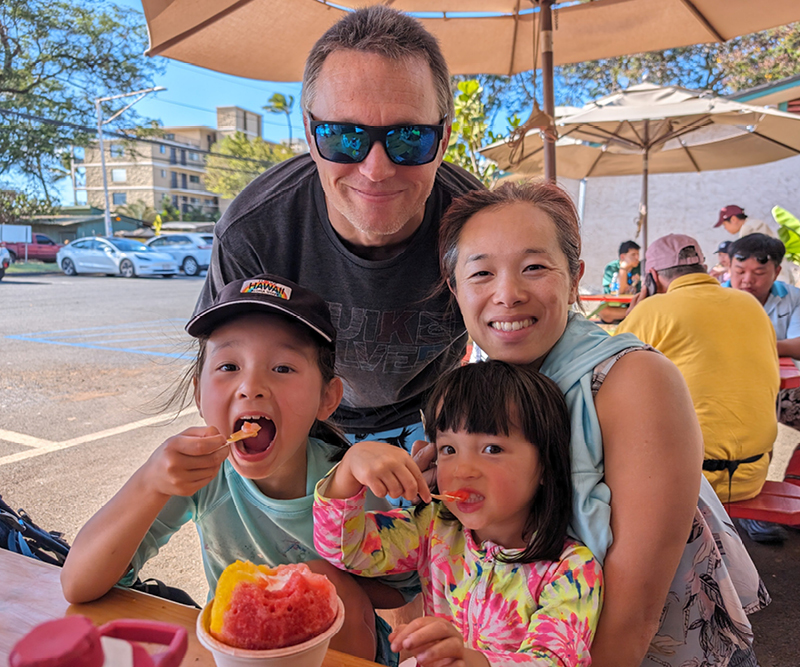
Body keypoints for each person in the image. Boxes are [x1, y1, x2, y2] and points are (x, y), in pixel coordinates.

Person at [414, 182, 768, 667]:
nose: (508, 295)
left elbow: (635, 614)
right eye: (480, 273)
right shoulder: (475, 393)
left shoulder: (634, 380)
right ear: (455, 288)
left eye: (534, 267)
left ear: (574, 276)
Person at [60, 274, 406, 665]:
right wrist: (149, 482)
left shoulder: (349, 484)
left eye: (283, 368)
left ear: (327, 398)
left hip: (345, 653)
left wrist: (332, 573)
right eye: (228, 365)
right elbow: (78, 584)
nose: (251, 386)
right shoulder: (201, 476)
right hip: (237, 656)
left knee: (324, 579)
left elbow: (399, 589)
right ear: (198, 393)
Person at [195, 6, 483, 453]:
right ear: (311, 136)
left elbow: (523, 352)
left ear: (442, 140)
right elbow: (223, 371)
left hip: (434, 420)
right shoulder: (254, 230)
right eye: (344, 137)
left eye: (409, 138)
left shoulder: (477, 225)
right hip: (299, 422)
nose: (376, 169)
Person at [314, 360, 603, 667]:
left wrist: (472, 662)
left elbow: (554, 660)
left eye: (492, 449)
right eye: (449, 449)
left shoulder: (570, 568)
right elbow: (346, 549)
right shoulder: (434, 529)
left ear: (545, 464)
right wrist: (348, 470)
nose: (463, 471)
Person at [614, 235, 781, 541]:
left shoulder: (653, 311)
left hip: (691, 482)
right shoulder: (750, 304)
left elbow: (600, 377)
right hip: (753, 473)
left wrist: (631, 315)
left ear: (651, 277)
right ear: (705, 268)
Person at [729, 234, 800, 432]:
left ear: (777, 272)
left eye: (759, 273)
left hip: (782, 390)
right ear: (729, 269)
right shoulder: (712, 298)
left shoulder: (793, 298)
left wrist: (748, 348)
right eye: (739, 271)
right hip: (726, 388)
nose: (747, 280)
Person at [716, 204, 798, 285]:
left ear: (733, 219)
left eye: (724, 224)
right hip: (777, 273)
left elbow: (752, 259)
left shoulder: (749, 228)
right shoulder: (753, 225)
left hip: (771, 276)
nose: (725, 228)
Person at [598, 240, 641, 323]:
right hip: (616, 307)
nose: (637, 258)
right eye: (633, 254)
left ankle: (635, 313)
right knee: (603, 312)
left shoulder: (640, 267)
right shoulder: (612, 267)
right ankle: (637, 314)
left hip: (634, 304)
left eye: (638, 254)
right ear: (622, 257)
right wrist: (623, 268)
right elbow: (619, 292)